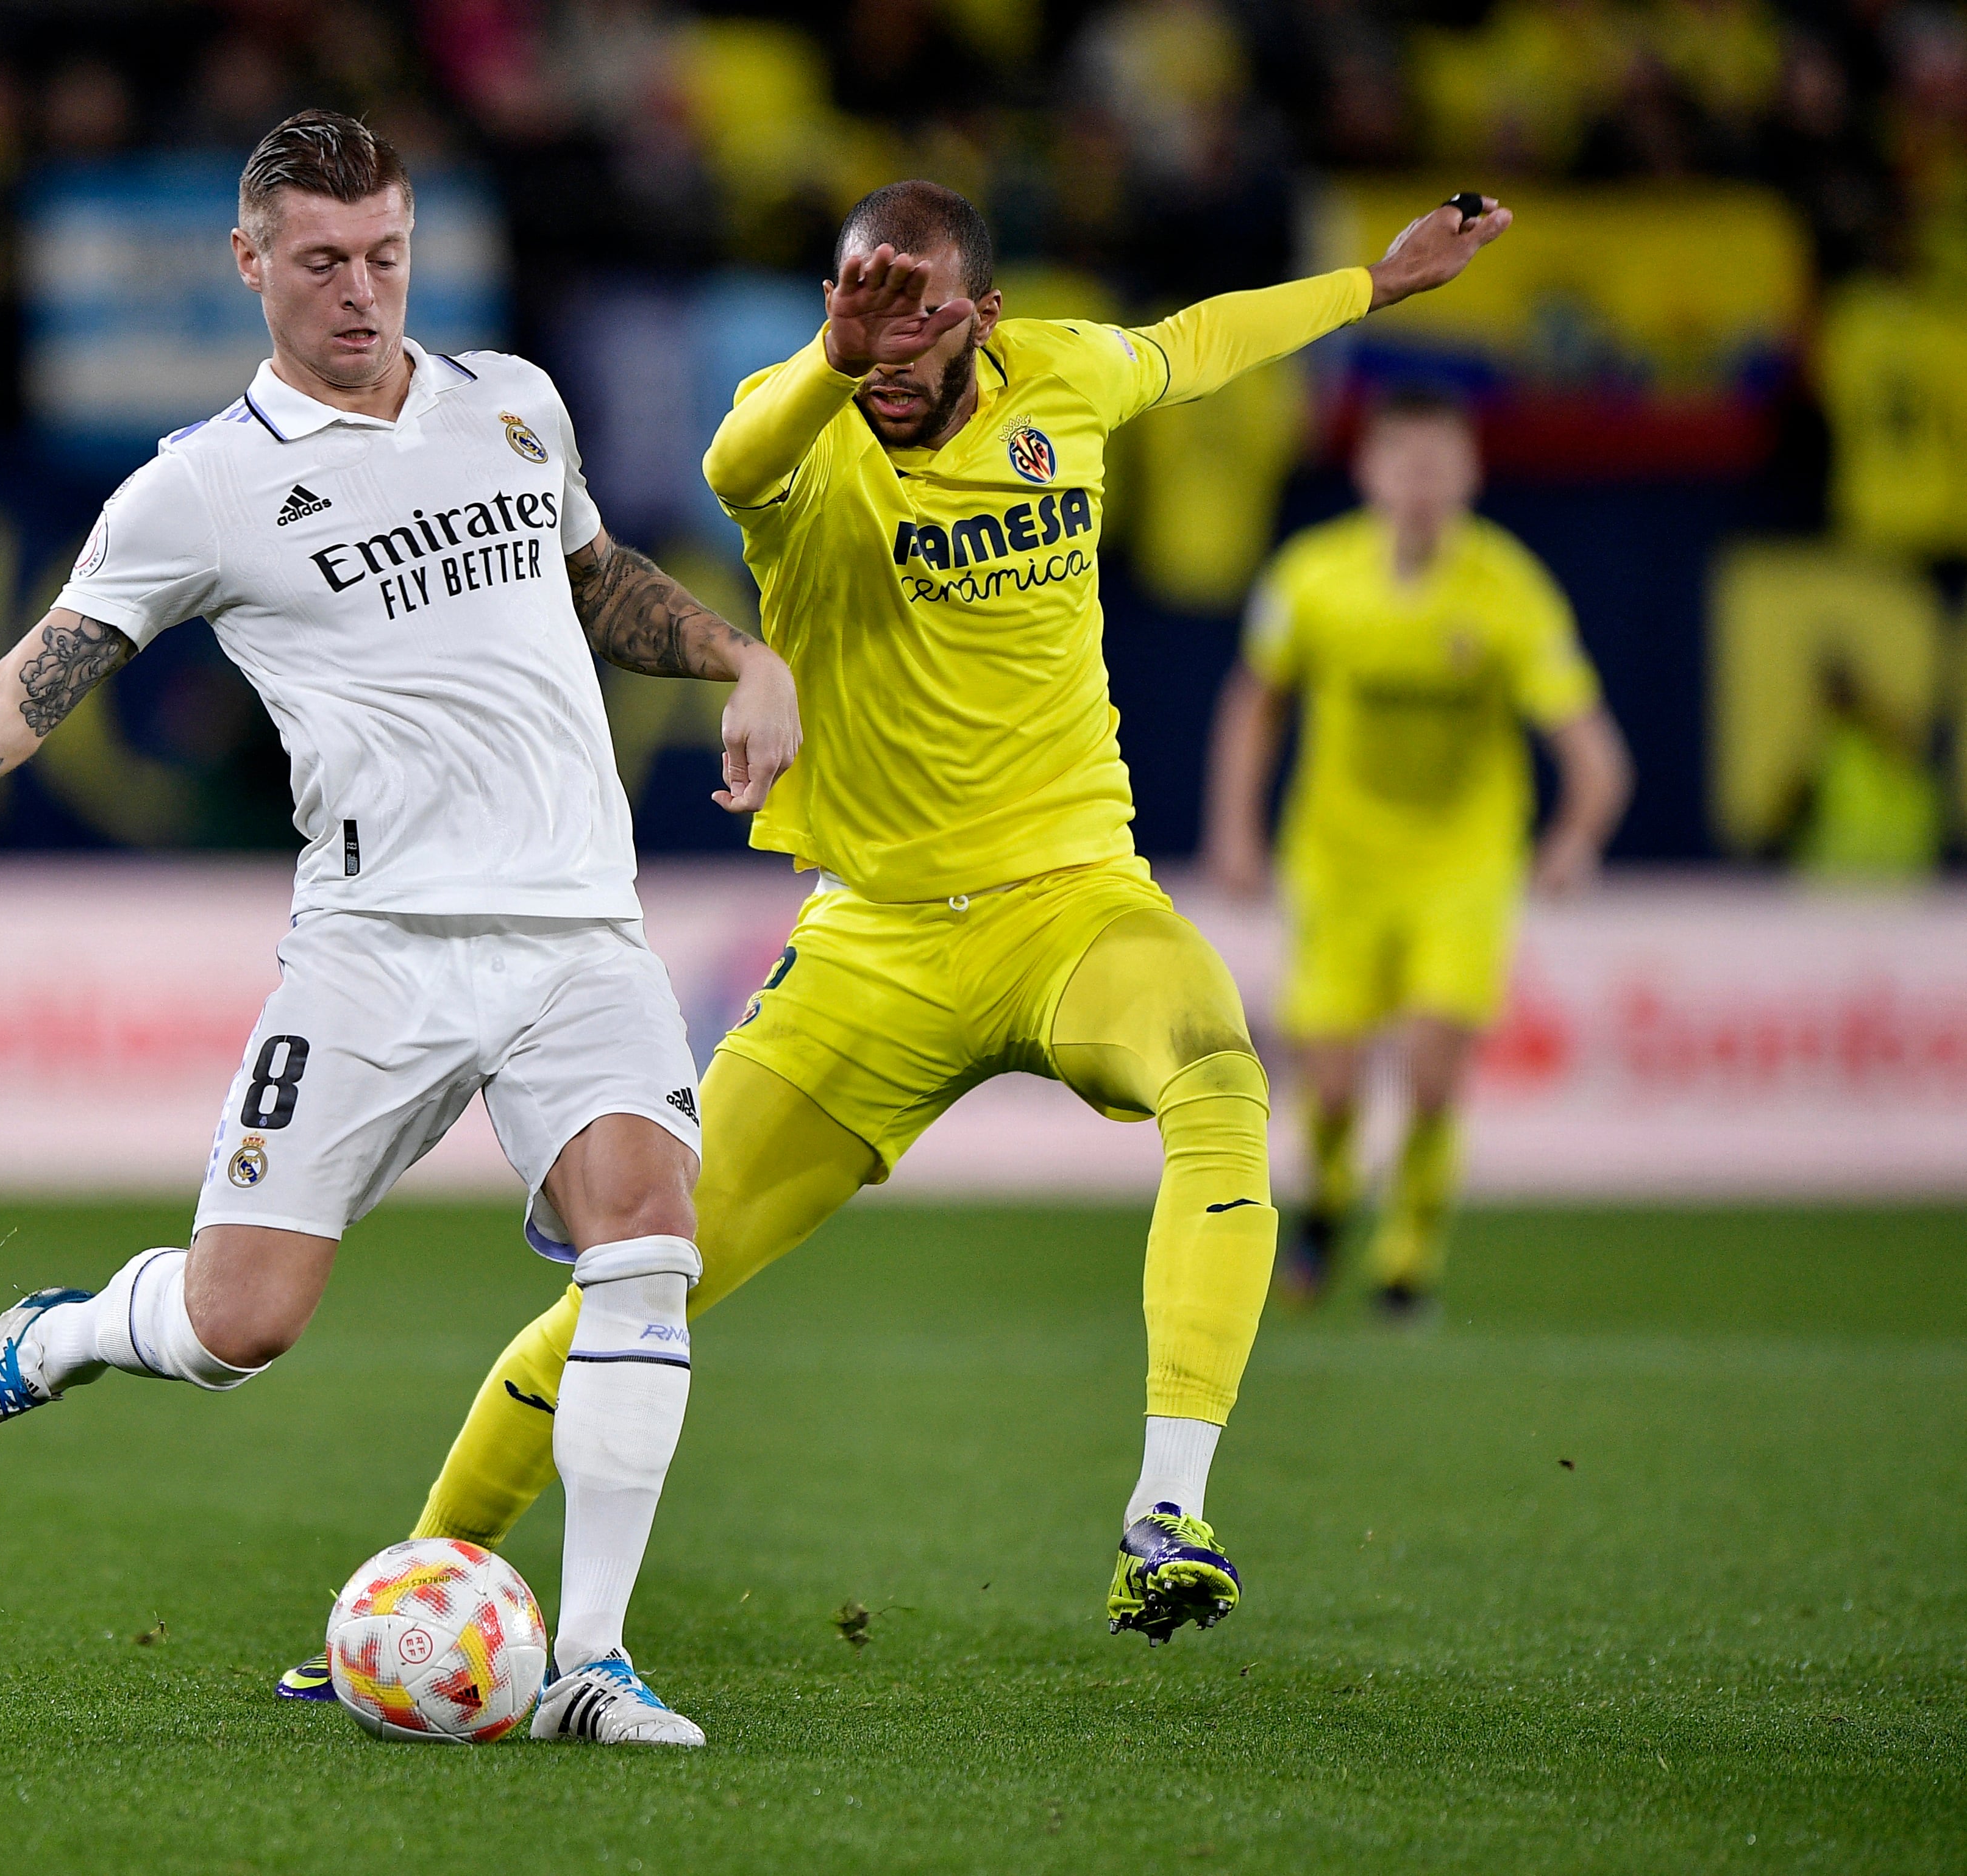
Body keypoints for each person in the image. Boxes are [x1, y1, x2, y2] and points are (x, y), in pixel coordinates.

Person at [0, 109, 802, 1749]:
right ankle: (48, 1339)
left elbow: (599, 581)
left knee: (647, 1242)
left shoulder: (513, 403)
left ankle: (593, 1663)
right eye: (320, 261)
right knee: (234, 1324)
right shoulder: (200, 488)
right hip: (376, 947)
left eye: (385, 255)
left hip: (577, 933)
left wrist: (746, 657)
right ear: (248, 260)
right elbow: (7, 708)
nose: (360, 291)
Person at [274, 180, 1510, 1699]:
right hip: (872, 951)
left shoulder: (1066, 375)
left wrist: (1373, 285)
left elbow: (1199, 343)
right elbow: (731, 460)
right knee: (636, 1279)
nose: (886, 347)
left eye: (915, 314)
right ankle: (411, 1588)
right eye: (857, 306)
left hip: (1074, 904)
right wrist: (833, 357)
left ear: (982, 317)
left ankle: (1167, 1509)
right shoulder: (803, 430)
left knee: (1216, 1079)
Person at [1203, 384, 1632, 1318]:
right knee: (1332, 1086)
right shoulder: (1311, 578)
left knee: (1433, 1071)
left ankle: (1405, 1259)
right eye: (1404, 461)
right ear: (1369, 471)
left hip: (1461, 860)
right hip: (1338, 857)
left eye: (1440, 463)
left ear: (1470, 473)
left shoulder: (1509, 590)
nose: (1421, 483)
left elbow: (1594, 751)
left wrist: (1574, 837)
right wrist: (1234, 828)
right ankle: (1325, 1202)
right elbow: (1254, 701)